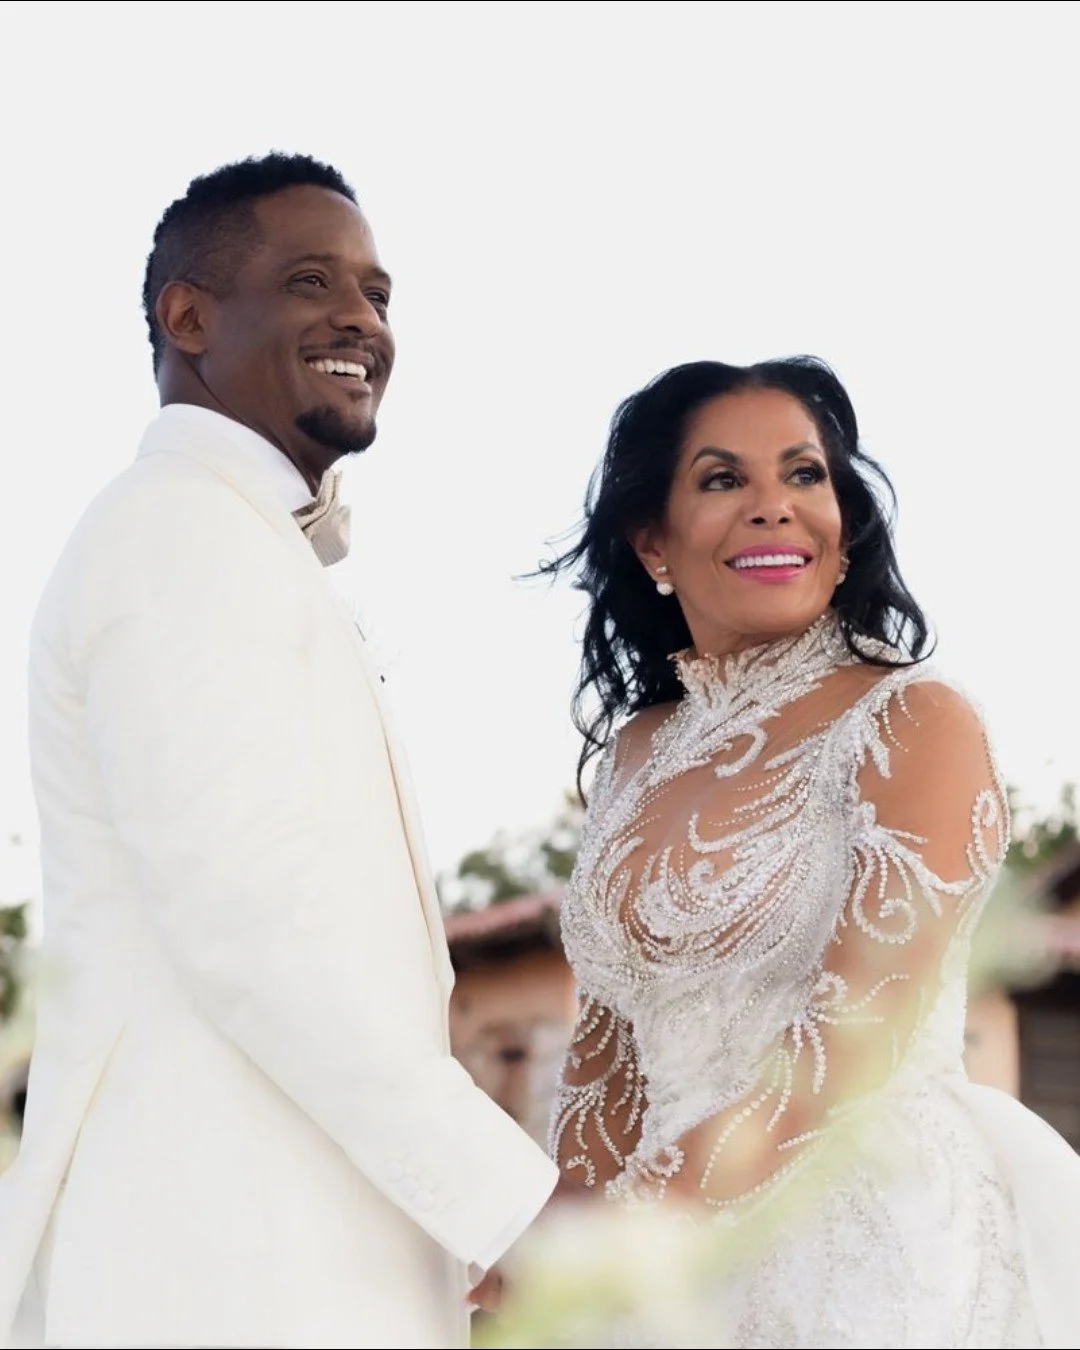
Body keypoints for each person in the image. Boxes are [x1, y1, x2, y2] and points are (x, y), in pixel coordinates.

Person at [0, 153, 557, 1350]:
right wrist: (503, 1197)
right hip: (221, 1248)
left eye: (379, 293)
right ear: (188, 317)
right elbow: (251, 921)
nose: (361, 317)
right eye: (312, 280)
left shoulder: (232, 539)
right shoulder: (178, 535)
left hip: (285, 1239)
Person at [546, 357, 1080, 1347]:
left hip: (861, 1247)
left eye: (803, 474)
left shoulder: (915, 719)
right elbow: (607, 1044)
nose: (773, 507)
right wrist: (560, 1237)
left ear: (843, 531)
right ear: (652, 540)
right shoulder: (634, 754)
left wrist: (630, 1224)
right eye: (721, 479)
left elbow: (854, 1039)